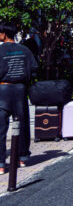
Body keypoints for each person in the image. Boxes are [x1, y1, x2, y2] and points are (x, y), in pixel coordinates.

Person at [0, 22, 36, 173]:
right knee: (22, 123)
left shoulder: (0, 51)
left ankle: (1, 164)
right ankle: (22, 158)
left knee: (1, 128)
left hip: (3, 89)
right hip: (20, 89)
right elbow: (33, 69)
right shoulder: (25, 50)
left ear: (4, 34)